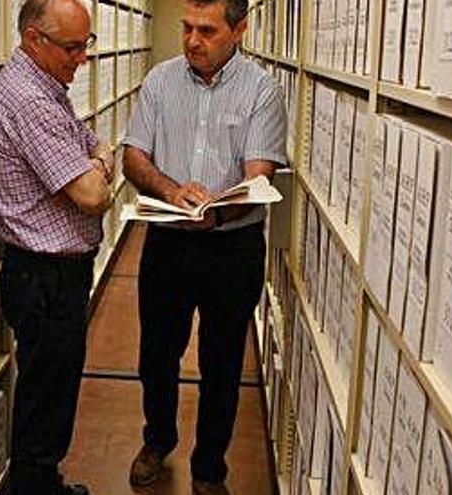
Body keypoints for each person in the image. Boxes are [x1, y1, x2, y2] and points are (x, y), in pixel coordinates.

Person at [122, 0, 287, 493]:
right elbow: (134, 157)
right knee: (156, 353)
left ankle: (209, 468)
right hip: (168, 242)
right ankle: (158, 439)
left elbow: (260, 175)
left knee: (222, 361)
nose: (193, 40)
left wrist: (217, 209)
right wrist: (174, 193)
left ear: (239, 30)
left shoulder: (262, 89)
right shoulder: (160, 81)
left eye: (208, 31)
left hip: (232, 249)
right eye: (187, 28)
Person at [0, 0, 114, 493]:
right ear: (34, 39)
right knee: (45, 399)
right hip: (44, 278)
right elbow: (93, 195)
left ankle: (43, 484)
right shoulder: (29, 101)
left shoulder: (45, 88)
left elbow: (91, 140)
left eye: (87, 45)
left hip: (51, 275)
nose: (82, 58)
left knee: (51, 394)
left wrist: (94, 156)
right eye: (73, 47)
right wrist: (99, 163)